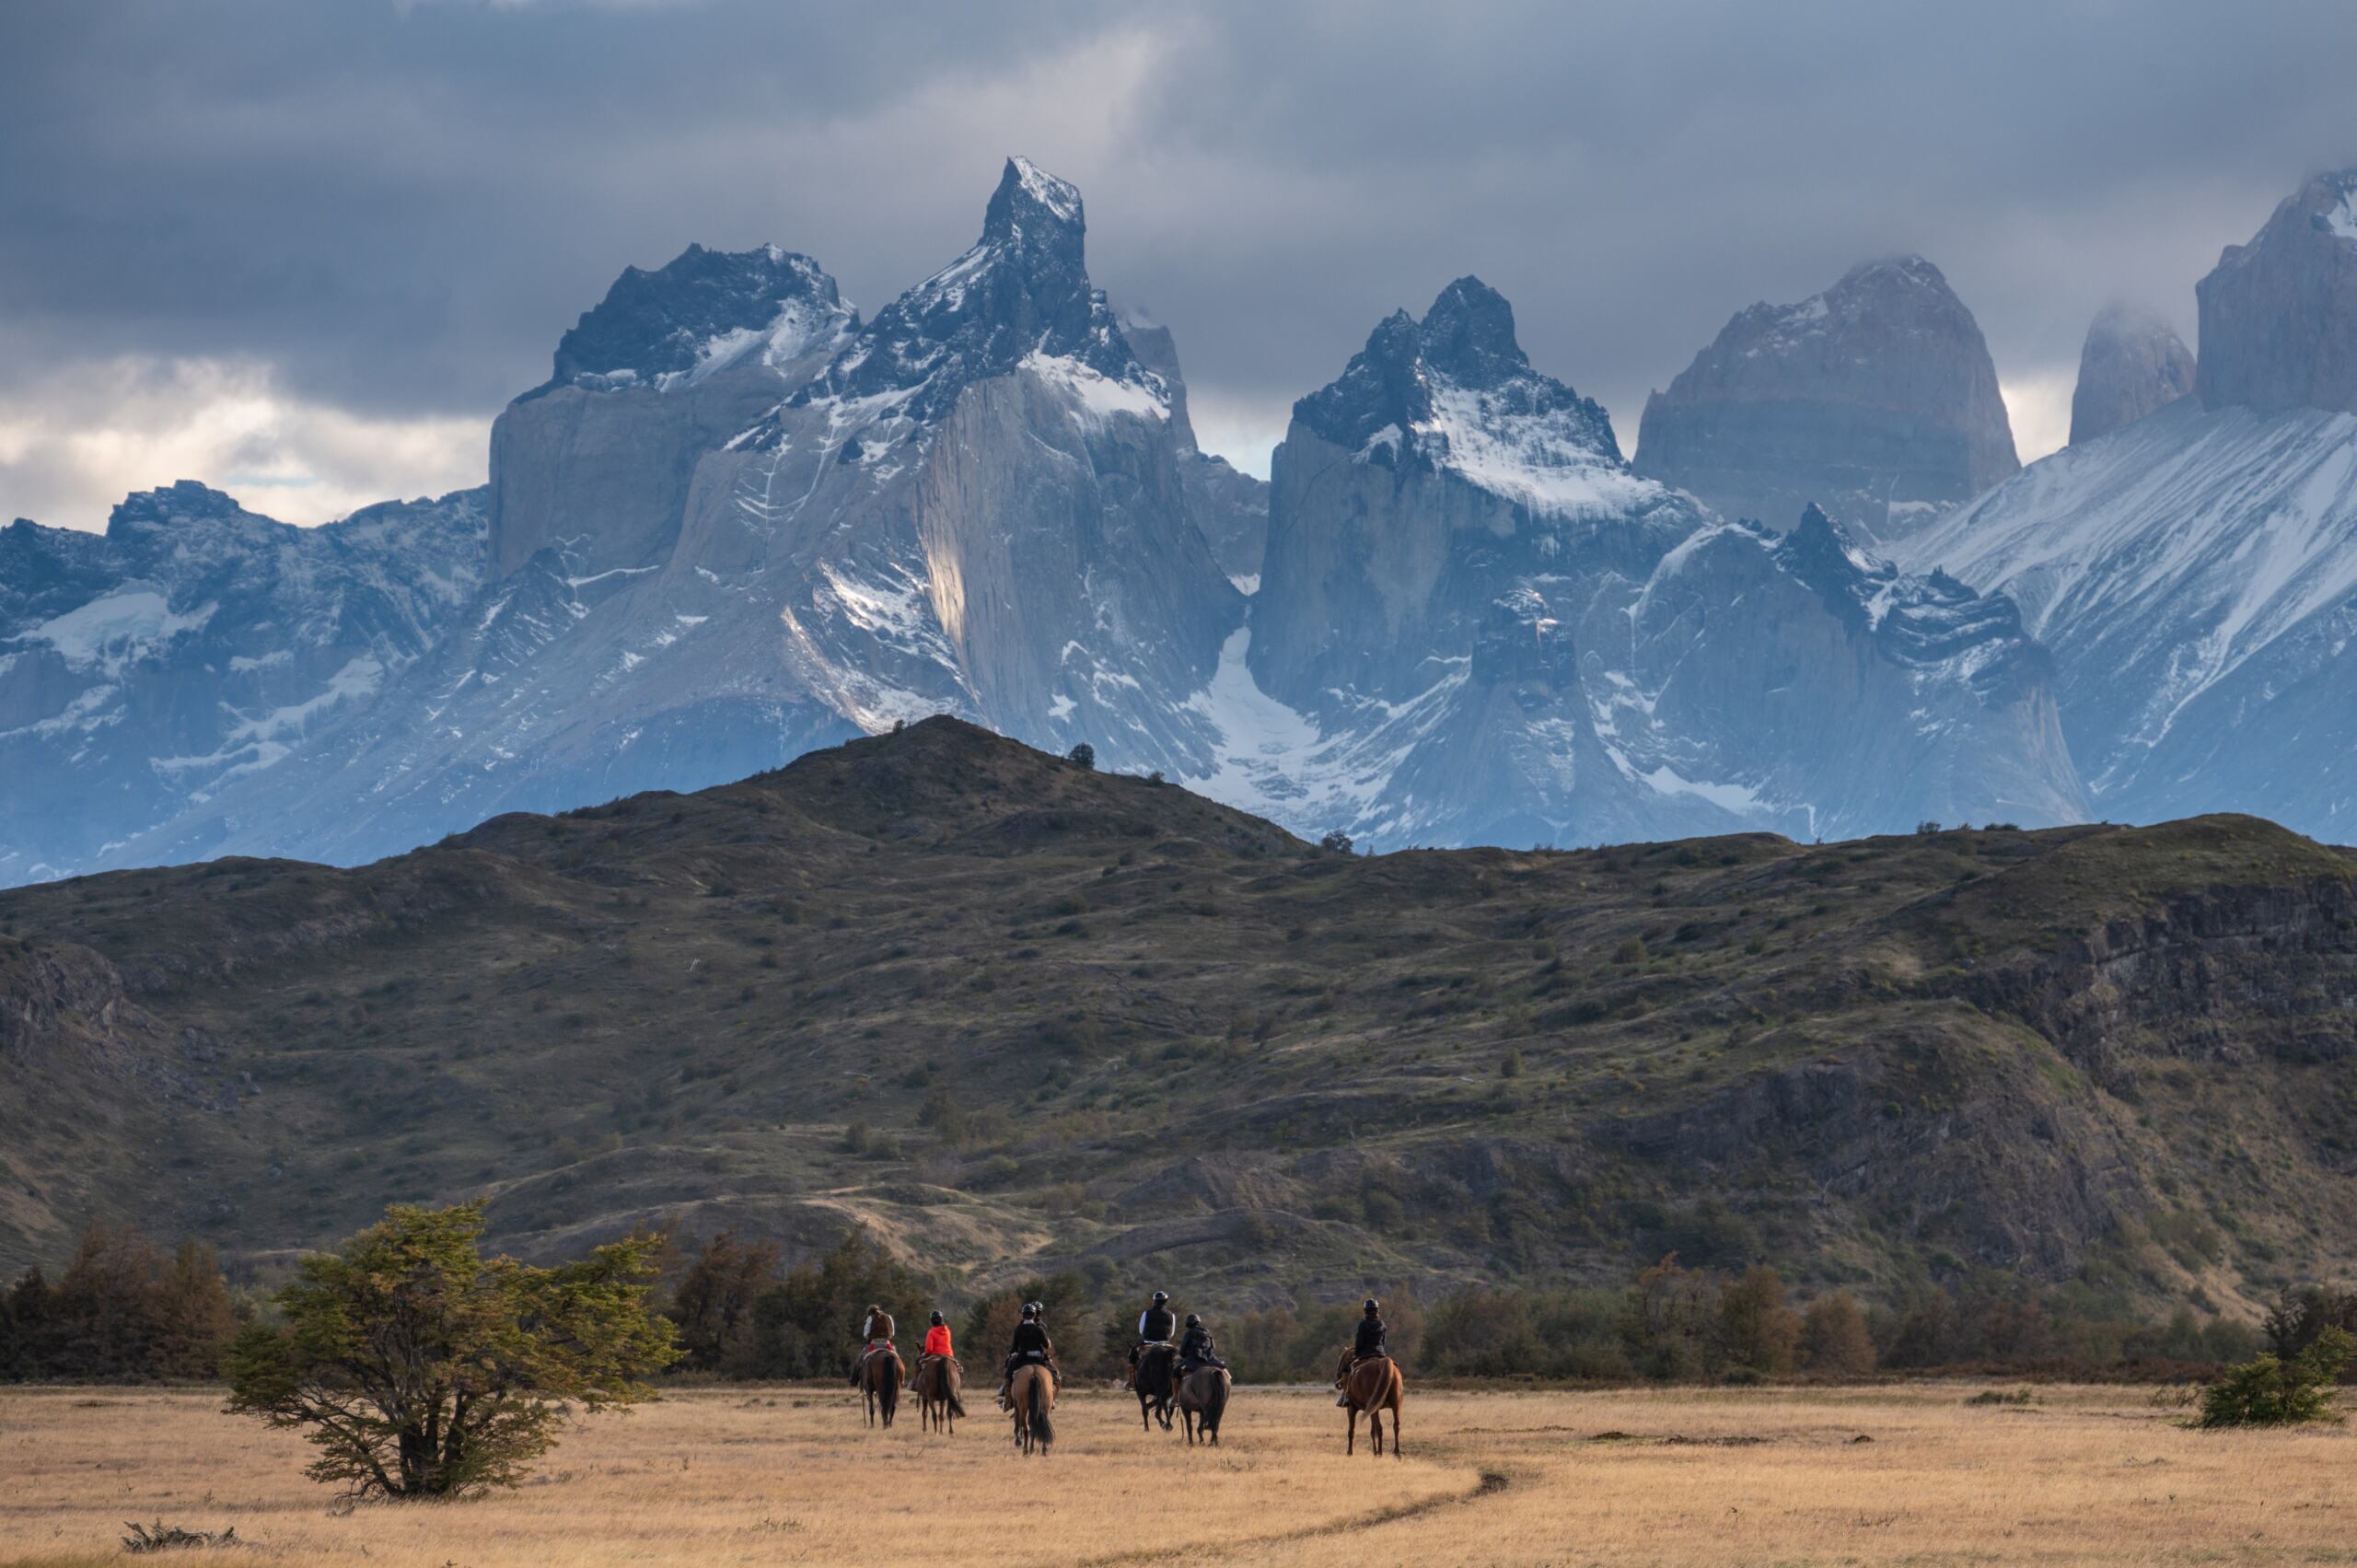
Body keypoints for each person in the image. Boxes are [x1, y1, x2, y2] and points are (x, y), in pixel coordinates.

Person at [998, 1300, 1059, 1407]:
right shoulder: (1040, 1328)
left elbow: (1015, 1347)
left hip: (1023, 1357)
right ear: (1034, 1314)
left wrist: (1013, 1353)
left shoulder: (1019, 1328)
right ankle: (1051, 1395)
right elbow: (1046, 1345)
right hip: (1038, 1358)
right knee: (1054, 1374)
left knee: (1009, 1372)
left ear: (1023, 1314)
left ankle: (1007, 1395)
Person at [1335, 1297, 1387, 1406]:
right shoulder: (1382, 1324)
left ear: (1365, 1311)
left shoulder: (1363, 1324)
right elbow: (1383, 1341)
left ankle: (1346, 1396)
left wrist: (1357, 1353)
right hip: (1381, 1354)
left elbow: (1359, 1342)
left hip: (1366, 1354)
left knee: (1347, 1368)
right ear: (1377, 1311)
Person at [919, 1309, 965, 1419]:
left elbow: (929, 1348)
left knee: (919, 1363)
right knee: (958, 1370)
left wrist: (925, 1354)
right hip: (949, 1355)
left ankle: (917, 1385)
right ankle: (956, 1390)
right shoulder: (947, 1331)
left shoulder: (931, 1332)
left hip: (934, 1355)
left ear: (932, 1321)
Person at [1127, 1289, 1178, 1388]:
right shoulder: (1171, 1315)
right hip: (1165, 1343)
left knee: (1132, 1354)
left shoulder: (1146, 1313)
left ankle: (1132, 1381)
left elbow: (1141, 1330)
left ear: (1154, 1301)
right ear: (1166, 1301)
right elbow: (1172, 1333)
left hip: (1148, 1342)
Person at [850, 1301, 896, 1387]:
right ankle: (900, 1379)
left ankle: (854, 1380)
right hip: (887, 1344)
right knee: (896, 1359)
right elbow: (892, 1333)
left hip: (873, 1344)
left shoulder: (870, 1318)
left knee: (860, 1359)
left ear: (870, 1312)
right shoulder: (888, 1317)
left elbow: (865, 1334)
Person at [1177, 1312, 1226, 1376]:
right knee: (1224, 1370)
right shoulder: (1207, 1332)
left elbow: (1182, 1352)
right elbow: (1213, 1347)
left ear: (1188, 1324)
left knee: (1175, 1372)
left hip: (1193, 1361)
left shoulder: (1189, 1333)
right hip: (1210, 1359)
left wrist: (1184, 1356)